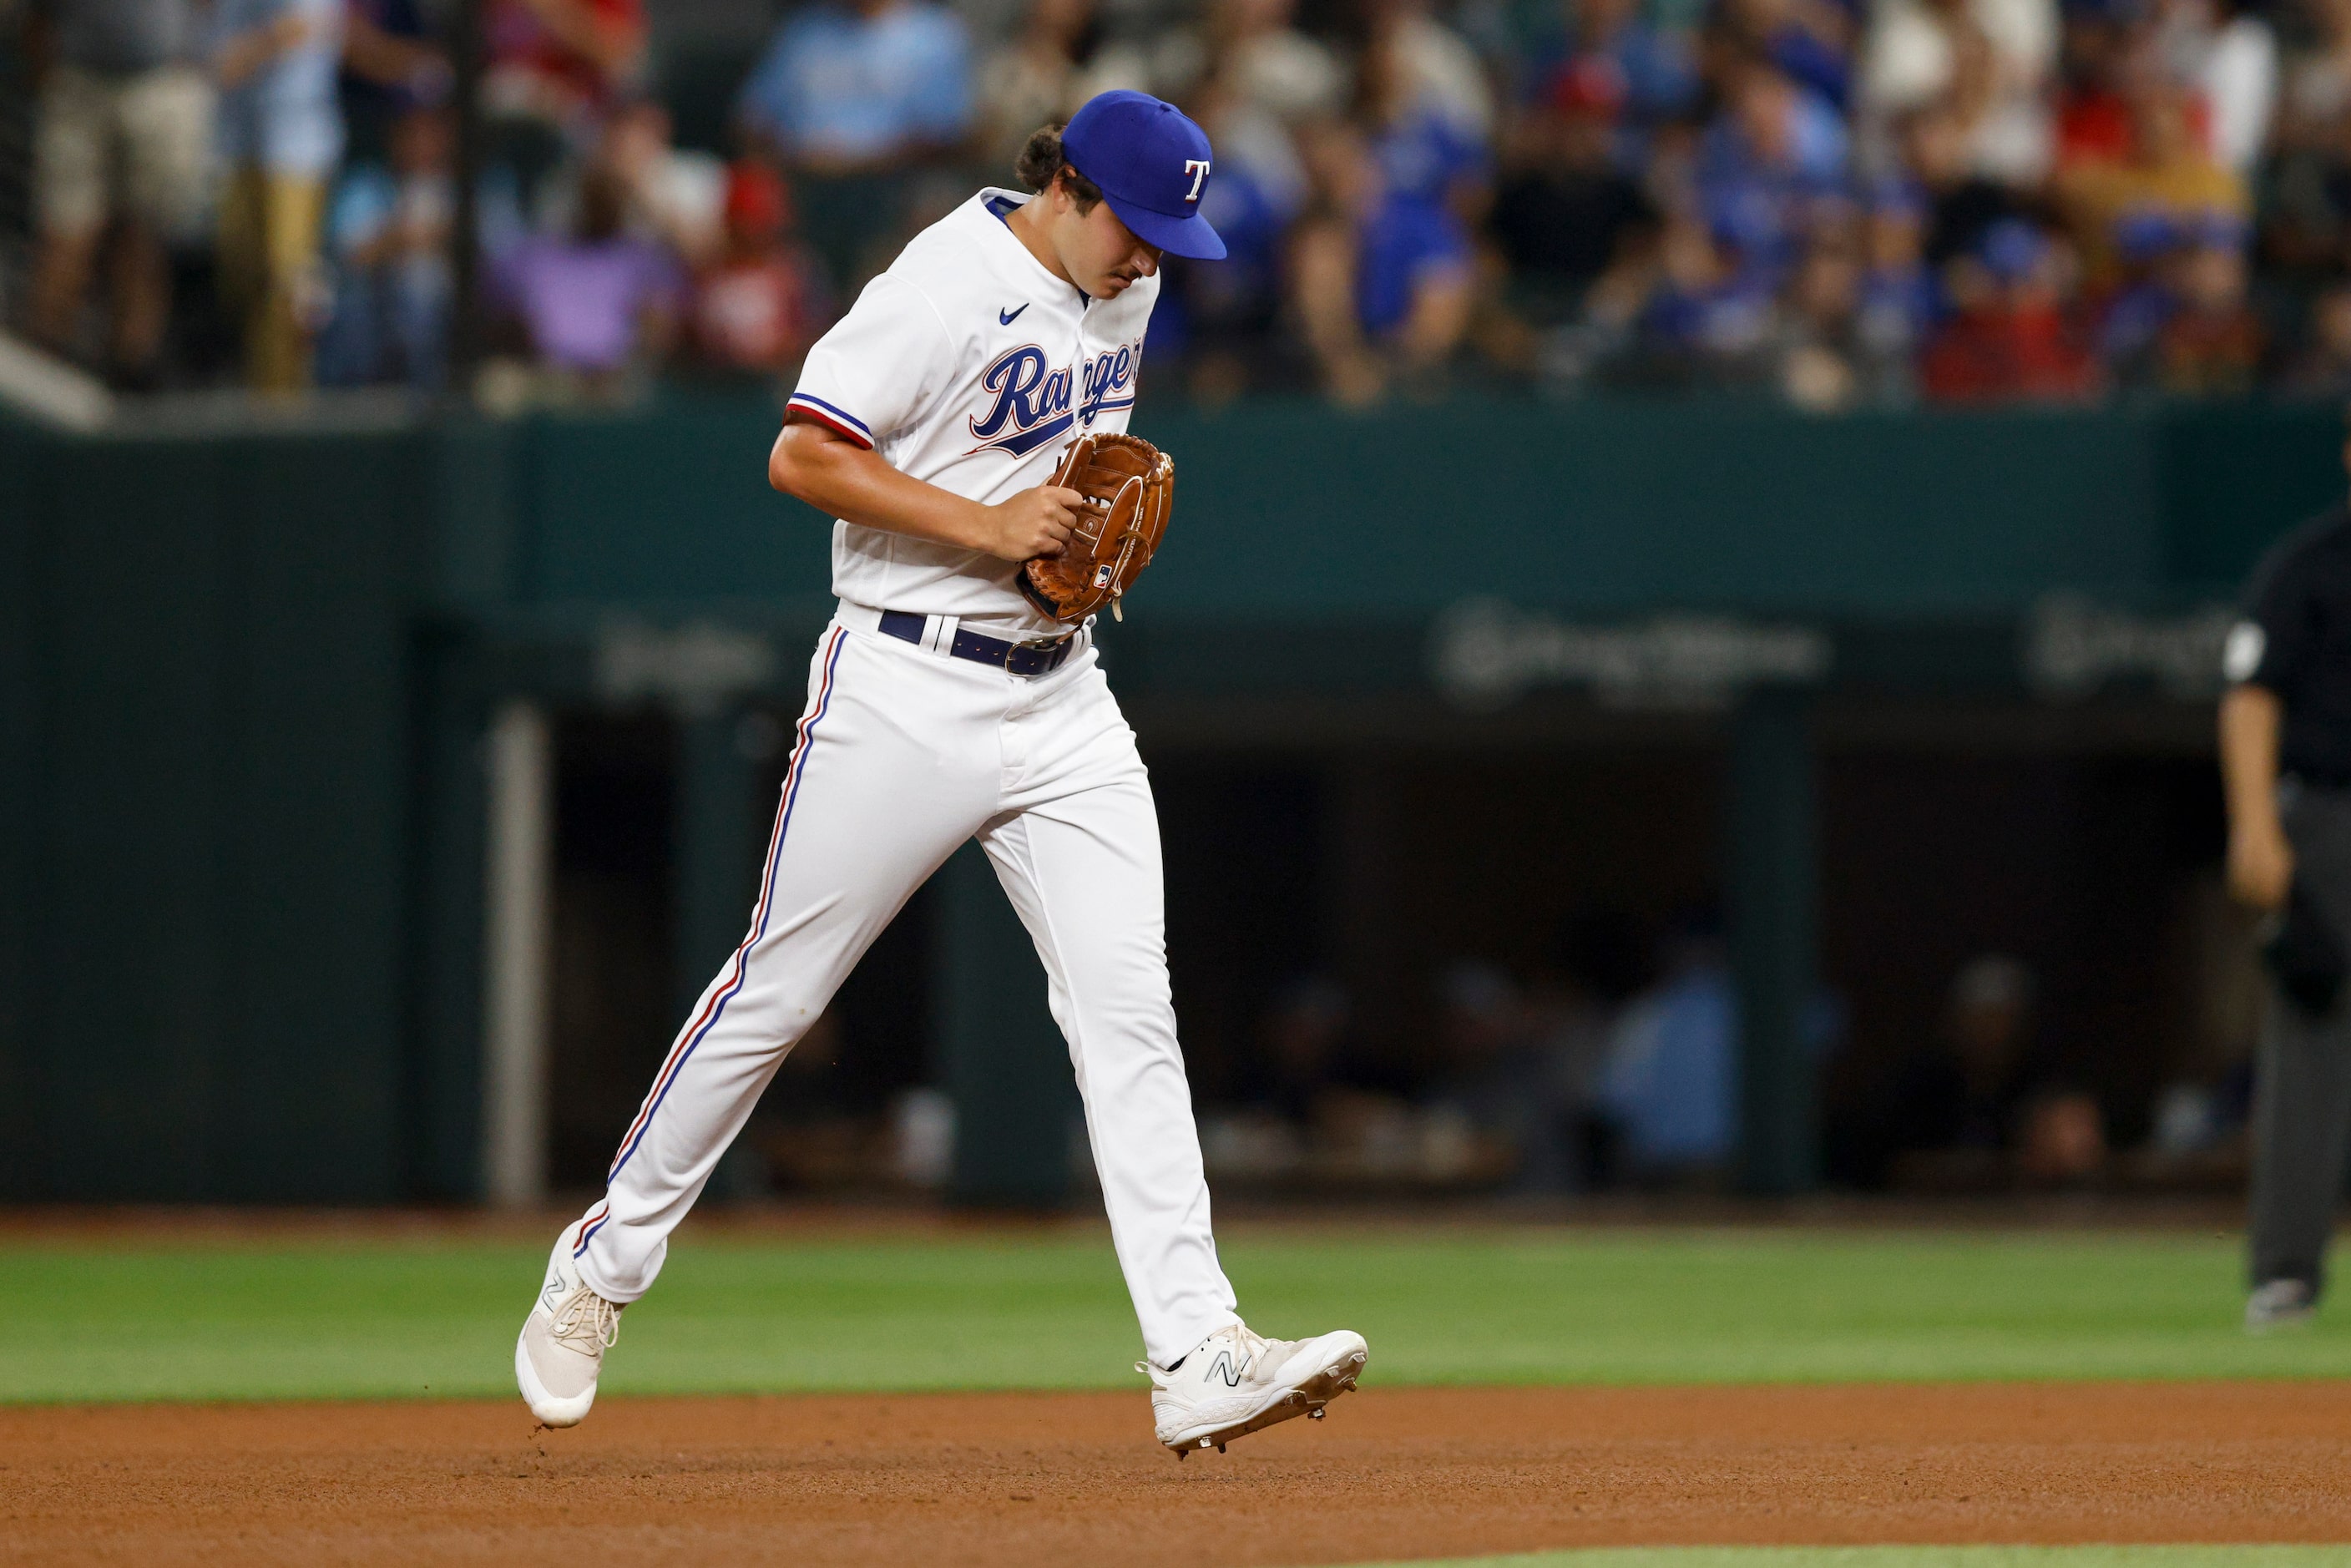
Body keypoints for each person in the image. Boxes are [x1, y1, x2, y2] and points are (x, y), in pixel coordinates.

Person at [514, 90, 1369, 1455]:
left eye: (1166, 238)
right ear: (1069, 186)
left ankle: (1196, 1348)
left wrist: (1055, 533)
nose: (1150, 259)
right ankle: (601, 1265)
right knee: (775, 993)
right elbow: (799, 453)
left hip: (1065, 693)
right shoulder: (939, 282)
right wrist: (986, 525)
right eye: (1135, 228)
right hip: (905, 684)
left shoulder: (1122, 288)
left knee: (1128, 1015)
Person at [2219, 427, 2351, 1330]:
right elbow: (2248, 693)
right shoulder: (2307, 563)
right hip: (2328, 821)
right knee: (2311, 1042)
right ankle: (2284, 1273)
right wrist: (2255, 823)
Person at [25, 0, 215, 387]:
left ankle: (132, 379)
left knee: (145, 240)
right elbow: (36, 19)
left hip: (162, 83)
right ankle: (41, 386)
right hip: (77, 88)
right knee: (67, 238)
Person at [210, 0, 345, 392]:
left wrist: (252, 51)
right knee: (243, 276)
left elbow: (304, 28)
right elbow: (217, 56)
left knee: (289, 278)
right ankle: (260, 392)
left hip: (298, 146)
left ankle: (285, 403)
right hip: (236, 143)